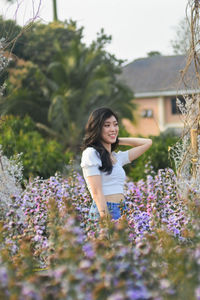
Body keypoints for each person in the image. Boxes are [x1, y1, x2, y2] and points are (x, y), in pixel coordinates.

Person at [80, 107, 152, 221]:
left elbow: (147, 143)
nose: (113, 128)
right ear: (97, 129)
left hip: (122, 209)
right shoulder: (91, 153)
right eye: (107, 125)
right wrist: (105, 218)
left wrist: (115, 138)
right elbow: (96, 192)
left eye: (115, 124)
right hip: (105, 210)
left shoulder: (116, 157)